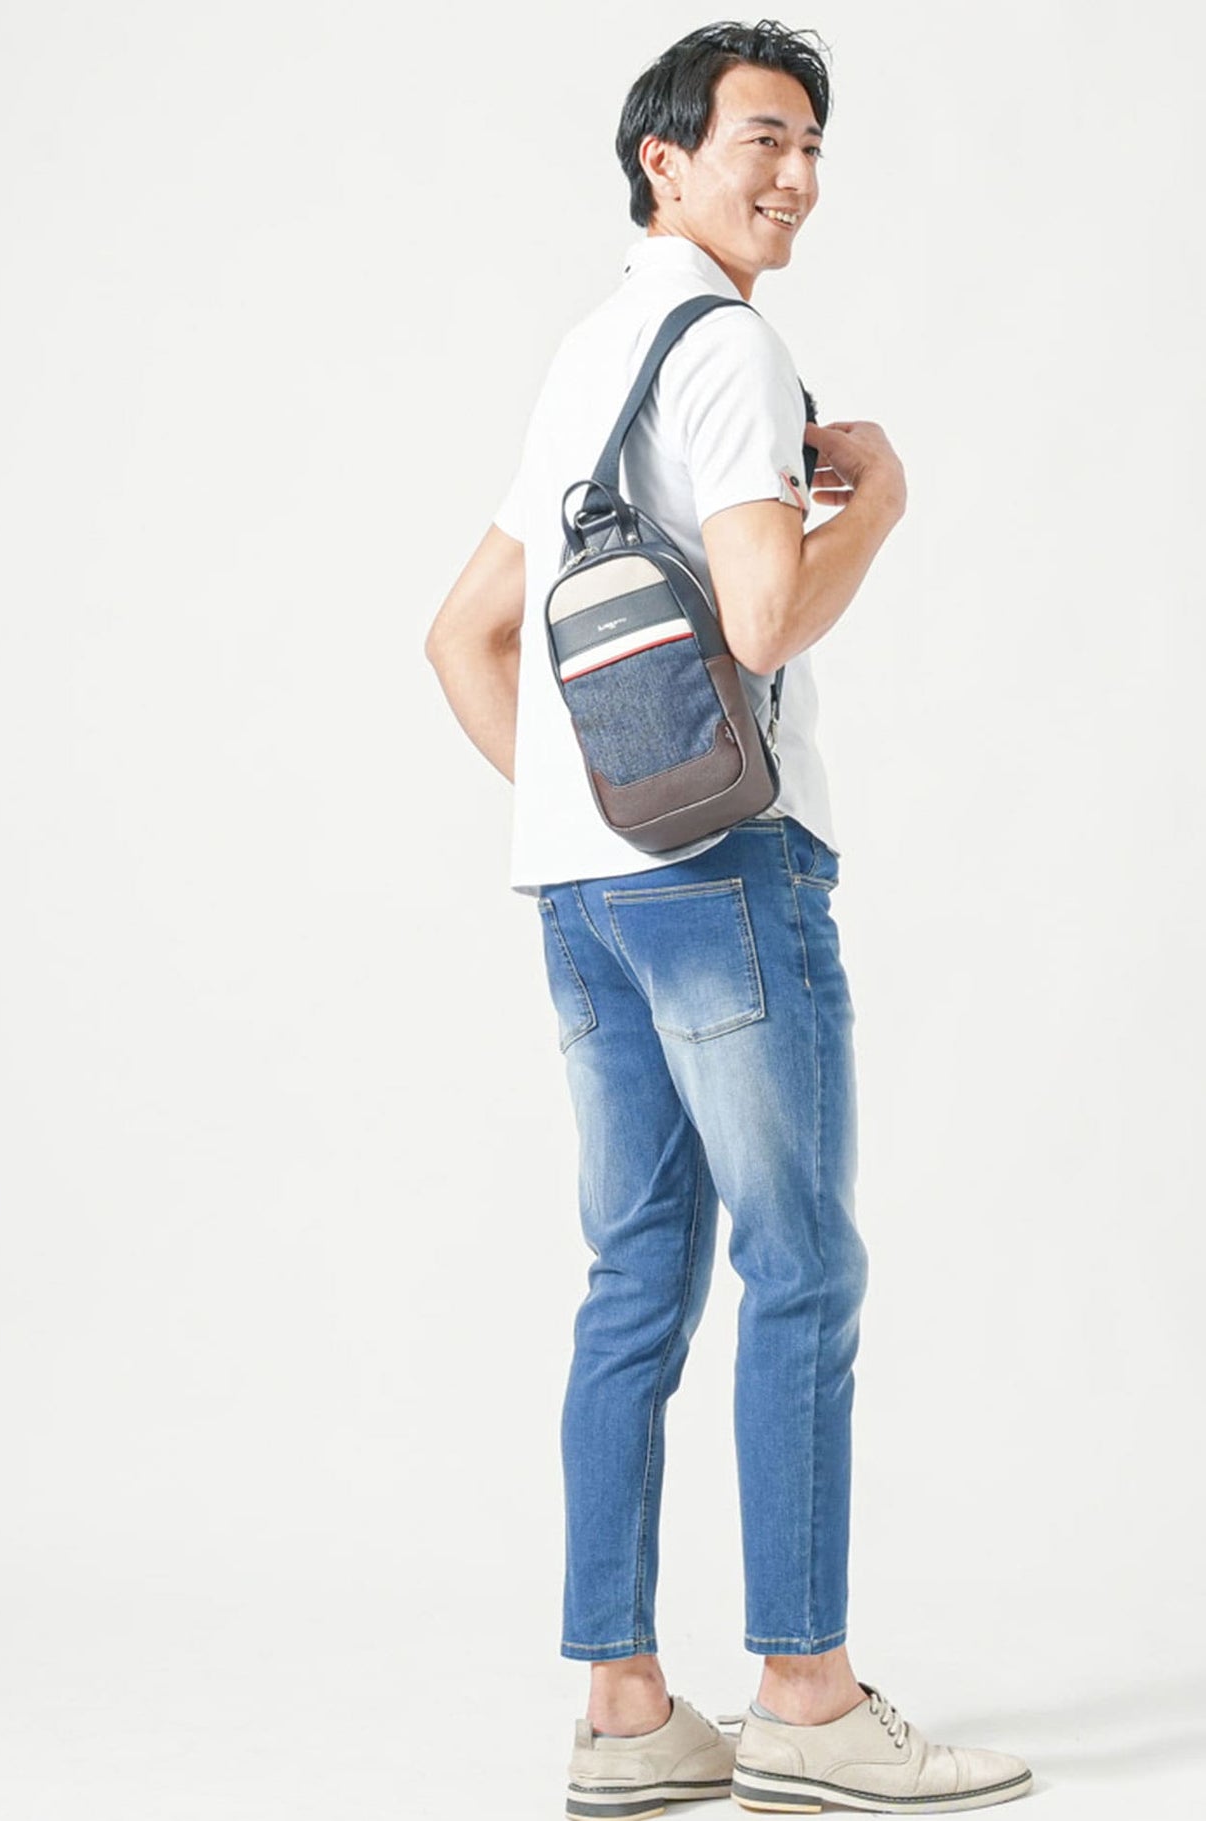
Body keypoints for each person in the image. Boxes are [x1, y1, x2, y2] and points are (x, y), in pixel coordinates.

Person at [424, 21, 1033, 1817]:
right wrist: (886, 502)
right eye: (763, 137)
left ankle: (626, 1711)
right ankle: (807, 1695)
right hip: (726, 882)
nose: (798, 177)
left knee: (633, 1279)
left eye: (813, 146)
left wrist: (586, 812)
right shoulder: (731, 350)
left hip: (584, 893)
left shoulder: (585, 358)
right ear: (663, 159)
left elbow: (460, 635)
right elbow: (762, 620)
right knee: (801, 1267)